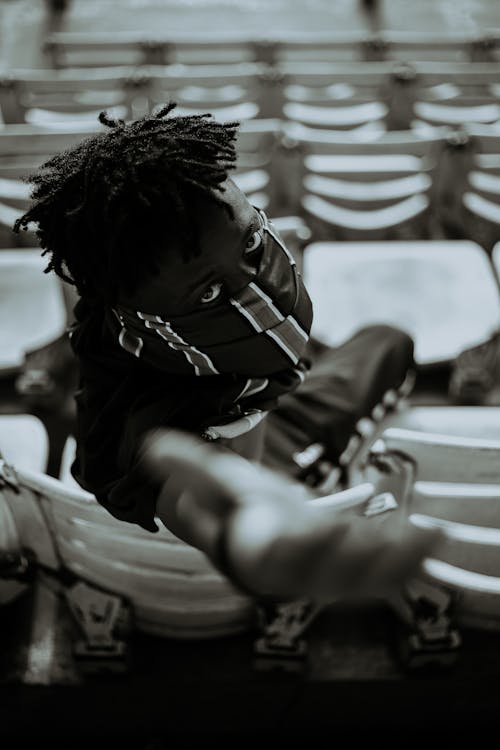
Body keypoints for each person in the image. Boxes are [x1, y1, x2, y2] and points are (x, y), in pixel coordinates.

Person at [14, 104, 440, 602]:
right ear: (141, 313)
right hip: (274, 458)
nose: (262, 301)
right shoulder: (148, 435)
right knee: (392, 344)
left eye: (253, 243)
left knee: (379, 337)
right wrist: (250, 534)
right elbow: (199, 493)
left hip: (265, 398)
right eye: (210, 295)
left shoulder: (119, 296)